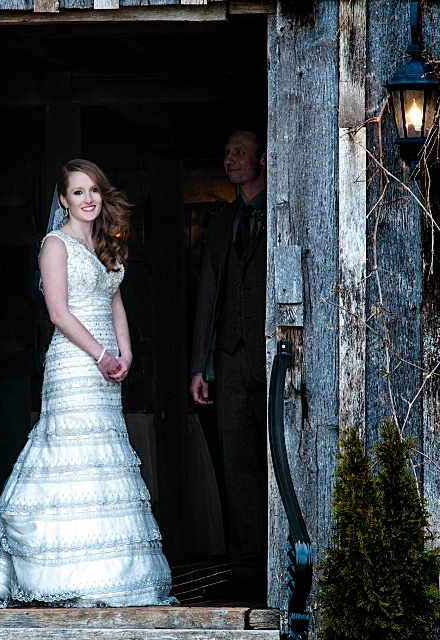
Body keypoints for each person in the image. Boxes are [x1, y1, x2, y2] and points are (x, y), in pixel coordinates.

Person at [0, 159, 175, 608]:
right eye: (78, 192)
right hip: (75, 366)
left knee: (105, 457)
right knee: (68, 454)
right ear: (63, 199)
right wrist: (100, 355)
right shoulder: (54, 245)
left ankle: (111, 576)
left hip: (106, 367)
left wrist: (126, 352)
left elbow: (114, 300)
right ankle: (49, 574)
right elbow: (58, 313)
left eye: (94, 190)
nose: (89, 199)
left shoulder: (105, 244)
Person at [189, 130, 268, 595]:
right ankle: (246, 570)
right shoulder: (220, 223)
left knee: (278, 460)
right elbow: (207, 299)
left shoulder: (282, 212)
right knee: (236, 465)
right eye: (226, 151)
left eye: (239, 151)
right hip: (230, 362)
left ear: (261, 158)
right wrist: (199, 366)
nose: (230, 158)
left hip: (275, 360)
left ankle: (285, 562)